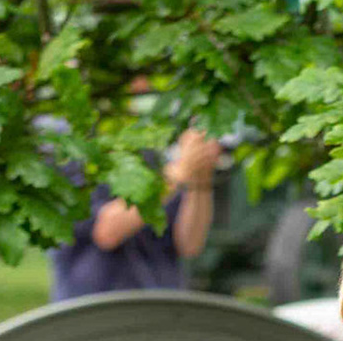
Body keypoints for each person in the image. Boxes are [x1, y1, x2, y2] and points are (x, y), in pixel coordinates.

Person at [49, 128, 222, 301]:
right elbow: (107, 232)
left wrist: (199, 179)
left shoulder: (151, 152)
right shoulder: (69, 152)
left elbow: (190, 245)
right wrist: (177, 174)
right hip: (93, 313)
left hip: (163, 310)